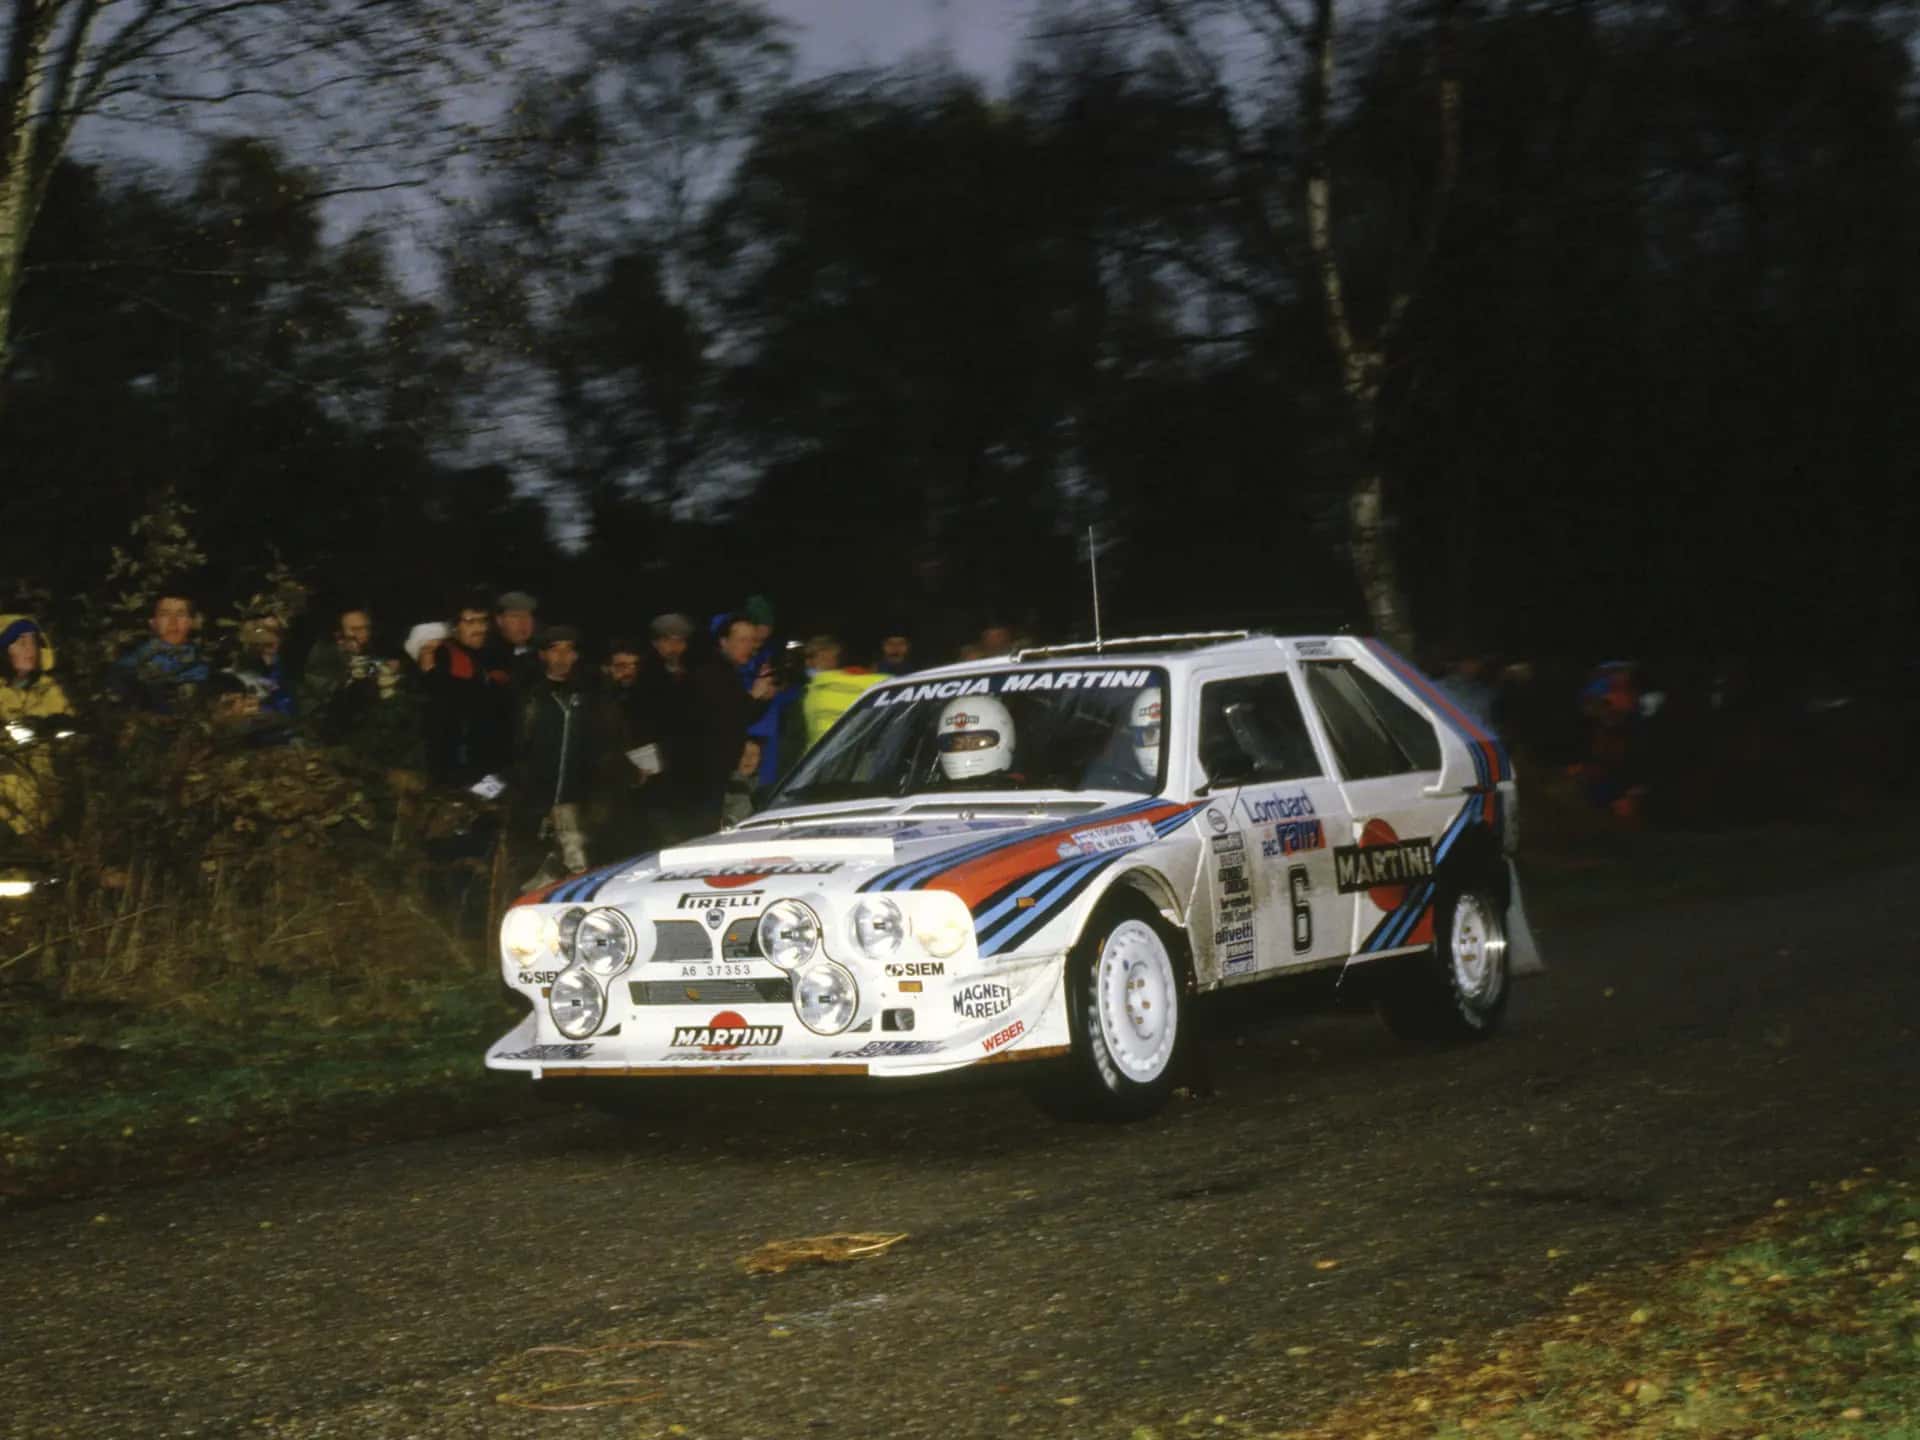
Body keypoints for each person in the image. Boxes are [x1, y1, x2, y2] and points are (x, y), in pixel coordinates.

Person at [513, 625, 596, 887]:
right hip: (533, 802)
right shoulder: (529, 696)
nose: (562, 657)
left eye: (568, 650)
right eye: (554, 650)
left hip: (574, 803)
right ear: (542, 655)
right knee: (529, 875)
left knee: (577, 871)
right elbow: (514, 747)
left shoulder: (588, 697)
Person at [683, 615, 773, 833]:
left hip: (717, 772)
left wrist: (762, 698)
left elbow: (743, 716)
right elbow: (728, 719)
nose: (750, 647)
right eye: (742, 640)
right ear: (723, 642)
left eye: (753, 641)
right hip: (703, 775)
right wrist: (755, 695)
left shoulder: (727, 672)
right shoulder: (712, 673)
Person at [417, 598, 513, 789]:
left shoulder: (493, 654)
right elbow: (449, 697)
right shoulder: (444, 653)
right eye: (470, 621)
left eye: (483, 620)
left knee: (493, 807)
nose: (480, 628)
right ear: (454, 627)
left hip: (491, 763)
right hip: (455, 765)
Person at [301, 606, 415, 763]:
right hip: (329, 730)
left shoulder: (371, 648)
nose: (363, 634)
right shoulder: (324, 654)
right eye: (355, 629)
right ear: (339, 634)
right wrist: (348, 680)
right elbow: (321, 695)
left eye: (366, 628)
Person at [0, 616, 74, 838]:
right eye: (20, 642)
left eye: (33, 641)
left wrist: (50, 726)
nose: (29, 648)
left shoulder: (49, 689)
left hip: (47, 780)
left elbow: (68, 725)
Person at [109, 590, 211, 713]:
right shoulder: (129, 663)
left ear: (191, 621)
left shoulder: (204, 661)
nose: (173, 623)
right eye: (164, 614)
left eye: (181, 614)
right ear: (153, 622)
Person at [797, 635, 885, 750]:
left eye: (814, 656)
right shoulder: (805, 690)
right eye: (807, 657)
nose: (809, 663)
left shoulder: (820, 689)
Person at [935, 694, 1018, 784]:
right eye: (957, 743)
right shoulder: (931, 792)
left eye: (977, 742)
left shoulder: (1024, 793)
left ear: (1006, 739)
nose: (965, 748)